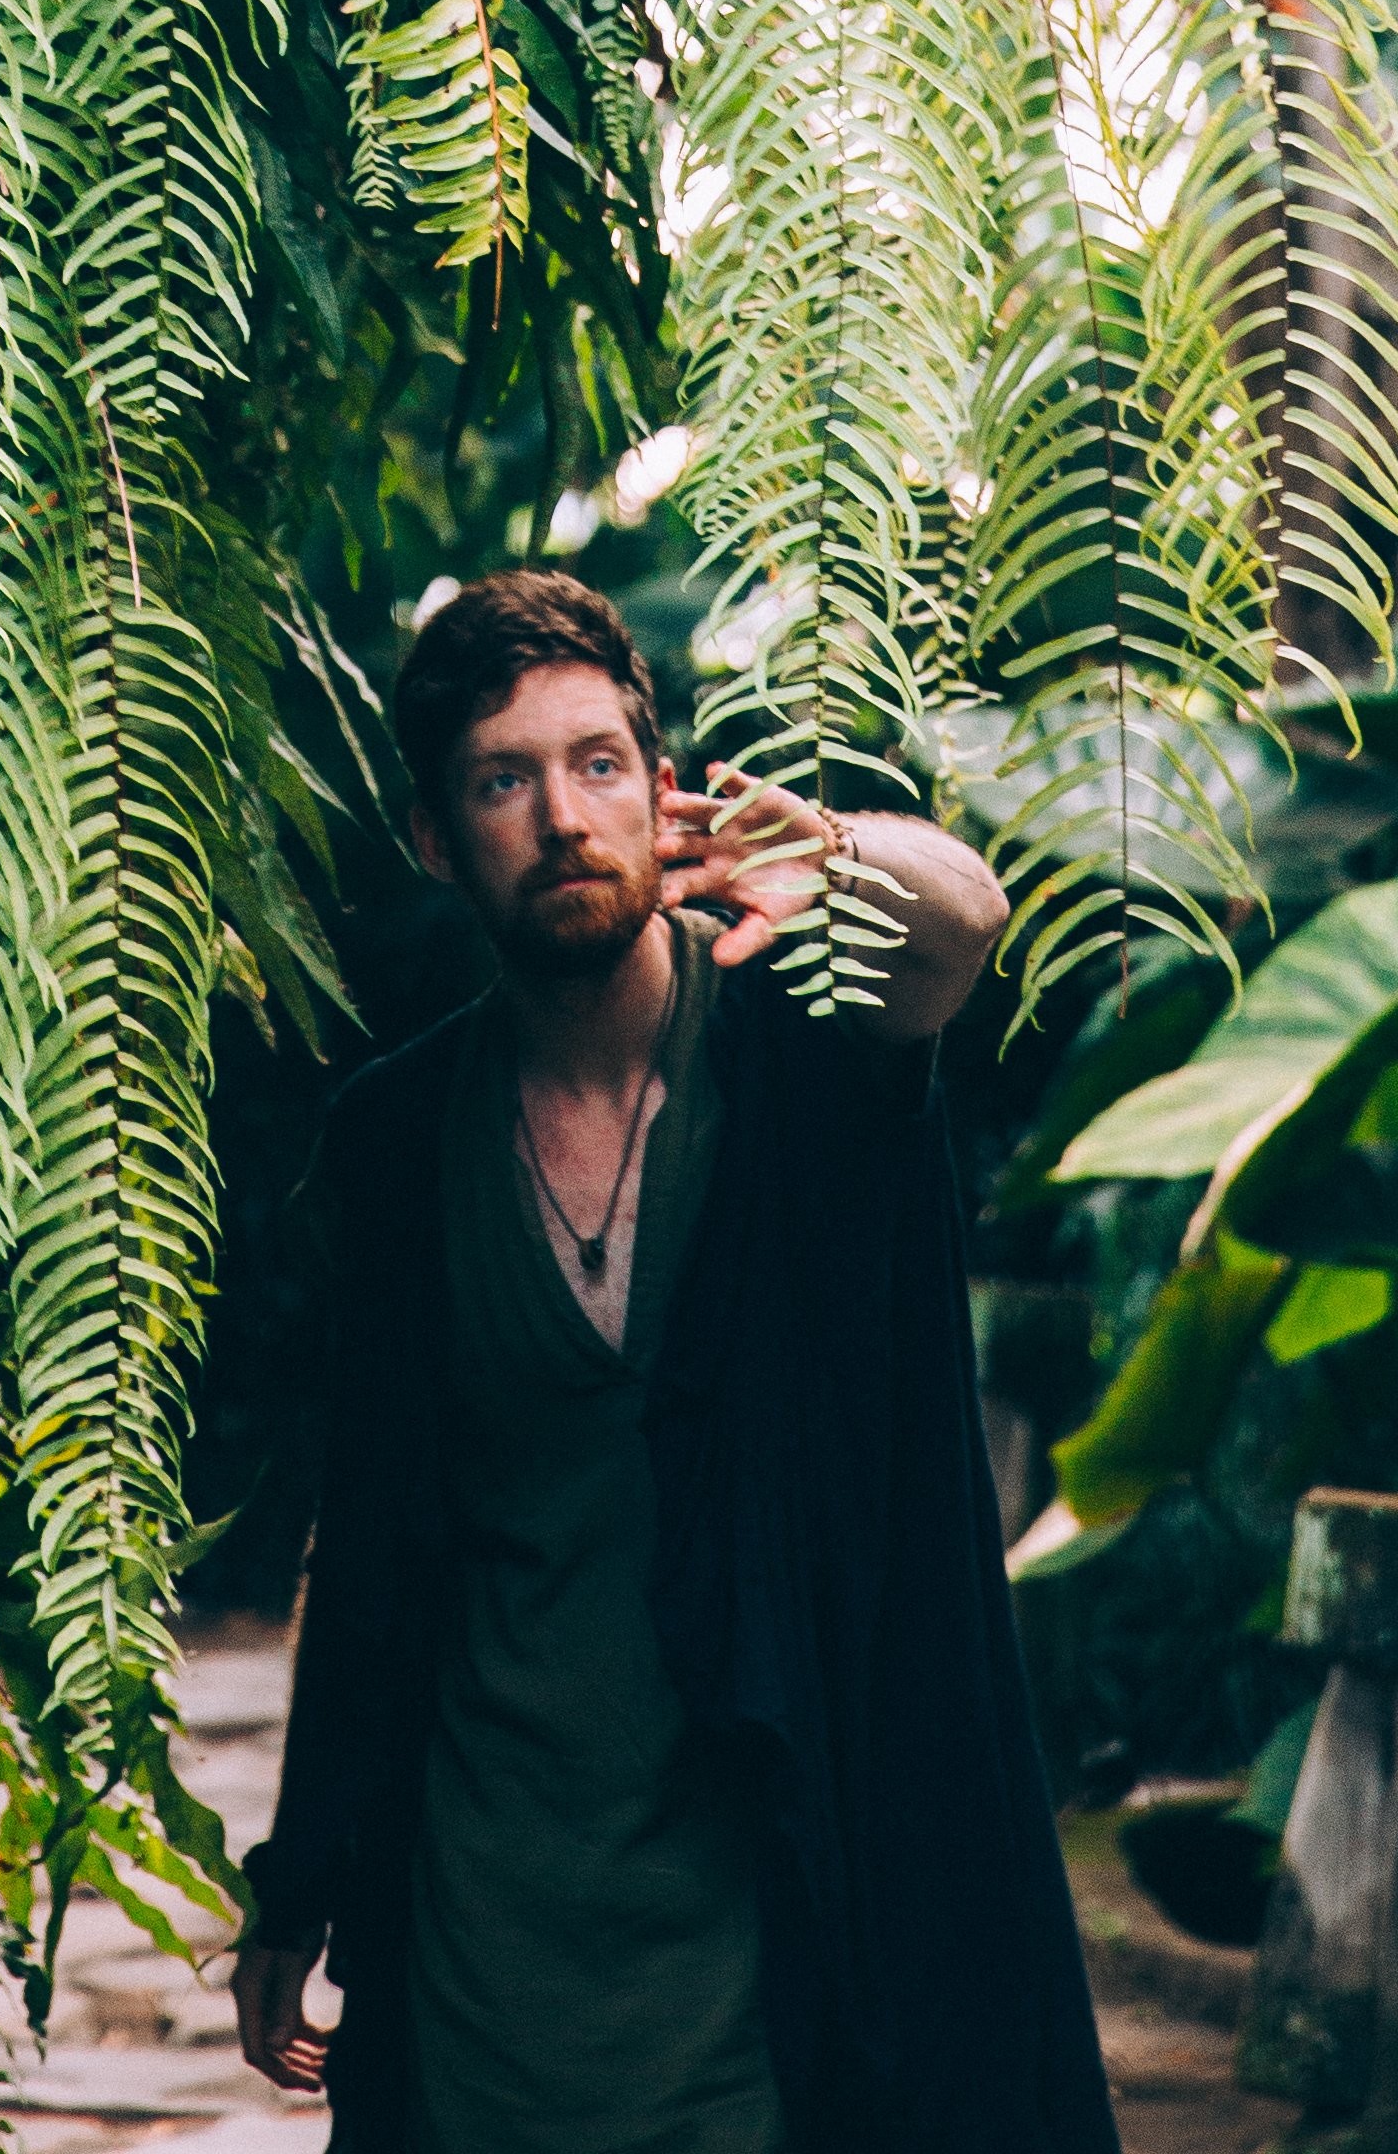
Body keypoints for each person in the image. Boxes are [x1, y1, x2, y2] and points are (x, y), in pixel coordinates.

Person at [232, 567, 1116, 2154]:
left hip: (776, 1894)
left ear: (663, 789)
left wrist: (831, 854)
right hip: (484, 1922)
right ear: (441, 842)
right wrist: (303, 1874)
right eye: (505, 780)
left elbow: (966, 922)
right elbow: (367, 1541)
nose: (564, 816)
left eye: (597, 765)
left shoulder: (804, 1043)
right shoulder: (396, 1139)